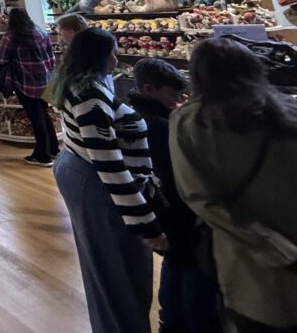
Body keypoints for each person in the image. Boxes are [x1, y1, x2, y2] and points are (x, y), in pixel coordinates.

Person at [170, 38, 297, 332]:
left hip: (255, 263)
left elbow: (200, 198)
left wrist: (277, 248)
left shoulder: (192, 122)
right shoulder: (286, 110)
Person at [51, 27, 166, 333]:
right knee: (117, 271)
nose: (116, 58)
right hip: (99, 188)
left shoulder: (81, 86)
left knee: (107, 267)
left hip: (82, 172)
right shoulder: (90, 98)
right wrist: (146, 222)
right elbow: (109, 165)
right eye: (112, 52)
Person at [128, 58, 222, 333]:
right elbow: (176, 170)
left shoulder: (140, 114)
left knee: (176, 260)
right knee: (193, 265)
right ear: (149, 89)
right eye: (171, 95)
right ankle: (193, 323)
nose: (176, 100)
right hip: (176, 206)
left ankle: (170, 319)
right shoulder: (158, 125)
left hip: (162, 206)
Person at [0, 7, 58, 166]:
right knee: (44, 113)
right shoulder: (40, 31)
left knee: (36, 117)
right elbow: (51, 57)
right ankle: (54, 149)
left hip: (25, 82)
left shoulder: (10, 37)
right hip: (46, 80)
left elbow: (2, 59)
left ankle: (42, 155)